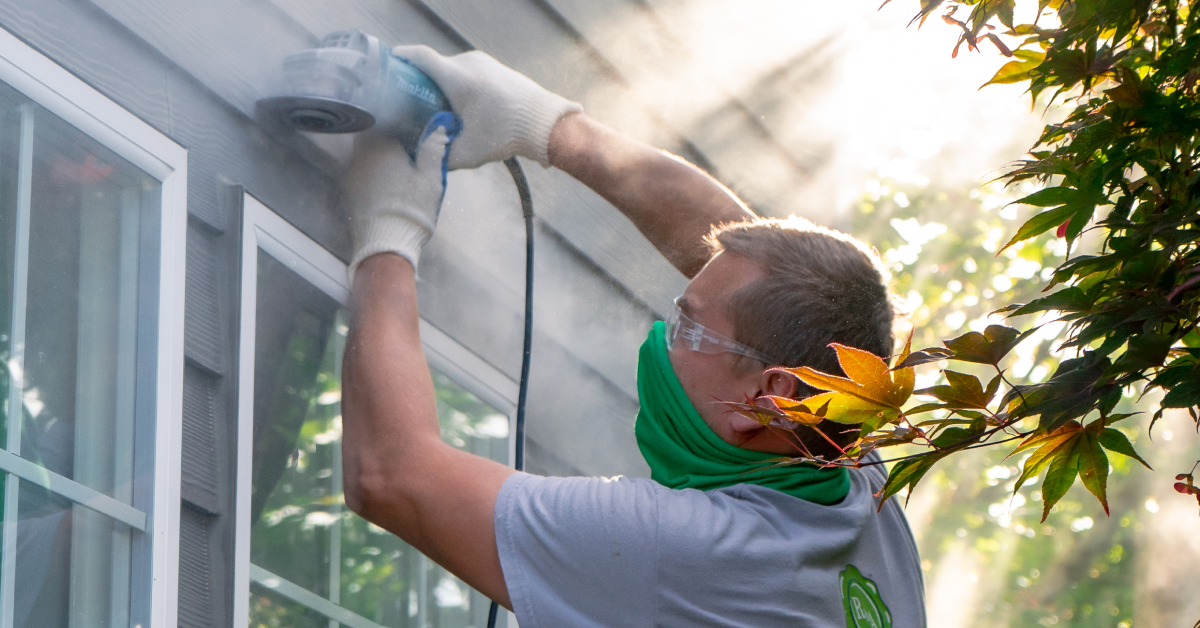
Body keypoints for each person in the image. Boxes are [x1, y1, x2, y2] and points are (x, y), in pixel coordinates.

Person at [340, 46, 926, 627]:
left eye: (686, 327)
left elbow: (391, 474)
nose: (662, 340)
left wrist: (389, 228)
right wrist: (544, 125)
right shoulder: (852, 479)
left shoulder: (686, 553)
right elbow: (758, 273)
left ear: (770, 399)